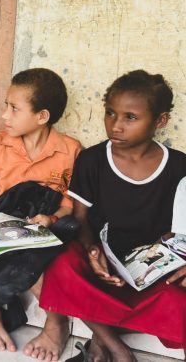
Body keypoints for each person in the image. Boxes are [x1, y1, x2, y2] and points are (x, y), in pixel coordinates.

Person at [39, 70, 186, 361]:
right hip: (105, 261)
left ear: (160, 121)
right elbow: (80, 219)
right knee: (58, 263)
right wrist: (92, 251)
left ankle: (99, 343)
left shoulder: (179, 166)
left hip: (153, 271)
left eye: (130, 117)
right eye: (110, 113)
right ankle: (117, 349)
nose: (116, 125)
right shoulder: (92, 160)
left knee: (180, 298)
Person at [0, 68, 82, 361]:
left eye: (14, 108)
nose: (4, 116)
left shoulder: (70, 151)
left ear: (42, 116)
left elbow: (70, 206)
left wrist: (52, 219)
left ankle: (56, 321)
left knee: (35, 255)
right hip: (1, 221)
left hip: (43, 225)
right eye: (5, 106)